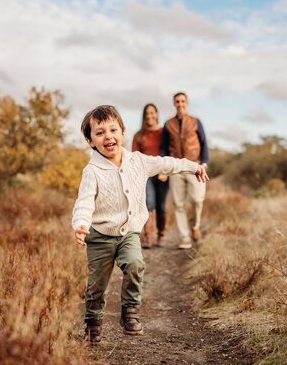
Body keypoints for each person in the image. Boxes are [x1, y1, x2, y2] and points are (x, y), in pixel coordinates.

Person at [72, 105, 209, 343]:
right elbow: (84, 203)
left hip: (129, 234)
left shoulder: (138, 161)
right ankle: (93, 323)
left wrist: (193, 166)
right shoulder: (91, 171)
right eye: (100, 133)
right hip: (100, 236)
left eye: (113, 130)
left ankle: (130, 311)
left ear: (123, 132)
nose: (108, 136)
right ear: (90, 141)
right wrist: (81, 223)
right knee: (96, 286)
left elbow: (168, 164)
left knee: (135, 264)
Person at [161, 92, 209, 250]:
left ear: (186, 103)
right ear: (174, 104)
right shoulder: (168, 124)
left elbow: (203, 143)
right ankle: (184, 238)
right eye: (177, 101)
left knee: (197, 199)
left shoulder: (196, 122)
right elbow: (163, 148)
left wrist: (204, 163)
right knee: (178, 204)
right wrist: (163, 168)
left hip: (195, 166)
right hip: (176, 168)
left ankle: (195, 226)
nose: (180, 104)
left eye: (182, 101)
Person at [132, 104, 169, 248]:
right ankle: (148, 236)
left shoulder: (163, 133)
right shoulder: (139, 135)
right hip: (145, 175)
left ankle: (161, 234)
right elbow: (134, 156)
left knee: (161, 206)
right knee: (148, 204)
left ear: (157, 114)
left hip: (162, 174)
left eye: (152, 113)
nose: (149, 116)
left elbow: (169, 152)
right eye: (147, 113)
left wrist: (165, 171)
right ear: (144, 116)